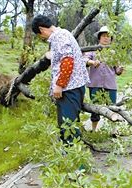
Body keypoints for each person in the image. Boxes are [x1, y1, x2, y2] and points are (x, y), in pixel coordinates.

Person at [32, 15, 89, 144]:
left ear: (41, 29)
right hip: (70, 87)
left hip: (70, 88)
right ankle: (68, 160)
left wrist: (59, 85)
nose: (41, 38)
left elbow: (68, 61)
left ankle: (79, 164)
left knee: (69, 127)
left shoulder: (59, 36)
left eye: (39, 35)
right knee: (65, 126)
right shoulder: (63, 34)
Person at [83, 26, 124, 131]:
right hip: (95, 84)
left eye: (108, 36)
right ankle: (94, 130)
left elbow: (117, 70)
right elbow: (84, 59)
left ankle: (114, 131)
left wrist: (120, 69)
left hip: (110, 85)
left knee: (112, 107)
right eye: (104, 36)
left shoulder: (114, 52)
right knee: (95, 109)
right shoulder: (93, 50)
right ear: (99, 38)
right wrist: (92, 62)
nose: (106, 38)